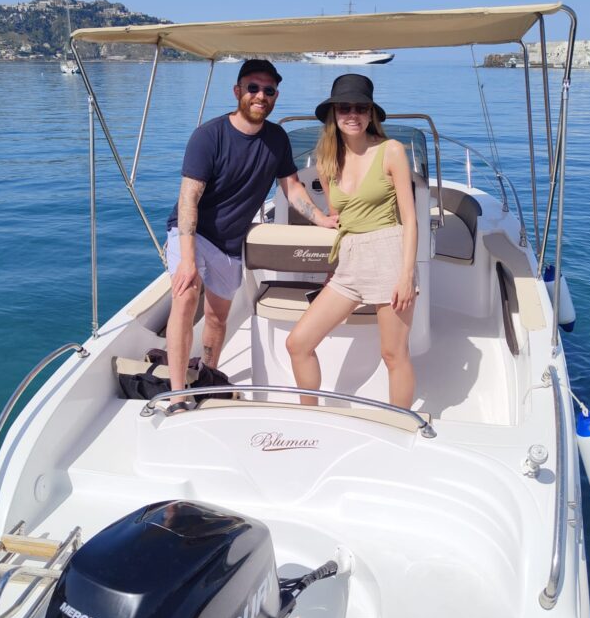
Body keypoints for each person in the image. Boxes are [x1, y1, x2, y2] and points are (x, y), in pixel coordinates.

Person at [165, 59, 337, 412]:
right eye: (253, 88)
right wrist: (187, 260)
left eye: (268, 90)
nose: (260, 95)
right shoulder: (209, 136)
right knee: (185, 298)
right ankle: (178, 394)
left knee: (218, 317)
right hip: (193, 234)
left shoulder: (276, 139)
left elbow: (291, 186)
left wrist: (321, 219)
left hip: (230, 243)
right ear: (237, 91)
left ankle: (208, 377)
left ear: (275, 96)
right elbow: (188, 199)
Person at [286, 74, 418, 409]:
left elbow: (410, 219)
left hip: (389, 257)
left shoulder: (391, 151)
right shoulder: (327, 162)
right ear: (334, 114)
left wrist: (406, 276)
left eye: (361, 108)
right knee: (298, 343)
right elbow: (340, 218)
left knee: (393, 354)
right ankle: (309, 414)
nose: (353, 114)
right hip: (349, 263)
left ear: (371, 113)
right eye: (344, 108)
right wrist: (334, 264)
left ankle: (400, 424)